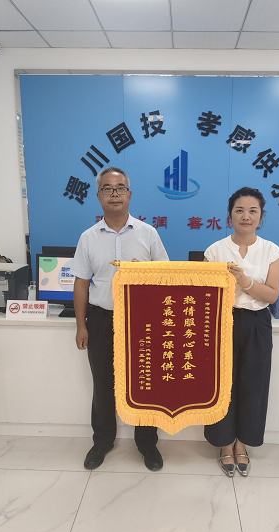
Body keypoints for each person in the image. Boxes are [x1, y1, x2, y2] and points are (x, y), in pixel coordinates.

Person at [70, 166, 169, 471]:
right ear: (98, 196)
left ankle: (147, 444)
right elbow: (81, 283)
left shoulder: (148, 233)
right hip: (101, 320)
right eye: (107, 189)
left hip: (143, 322)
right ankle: (102, 441)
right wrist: (81, 325)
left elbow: (165, 277)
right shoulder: (88, 237)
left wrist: (145, 271)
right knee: (103, 384)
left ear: (129, 194)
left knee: (145, 383)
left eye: (120, 188)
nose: (114, 194)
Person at [204, 187, 279, 476]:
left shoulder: (272, 251)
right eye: (239, 210)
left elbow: (272, 295)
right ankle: (224, 443)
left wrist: (244, 281)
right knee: (222, 385)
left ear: (261, 216)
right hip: (221, 323)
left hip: (257, 323)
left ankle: (241, 444)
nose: (245, 216)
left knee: (253, 385)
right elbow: (204, 292)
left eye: (252, 211)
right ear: (230, 216)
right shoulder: (214, 250)